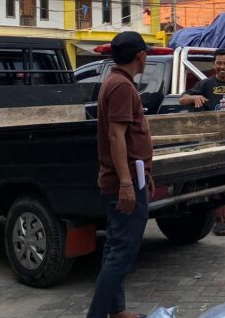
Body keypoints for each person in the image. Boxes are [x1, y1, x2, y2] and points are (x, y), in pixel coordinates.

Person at [87, 31, 154, 318]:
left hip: (129, 178)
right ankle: (98, 314)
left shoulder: (116, 83)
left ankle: (116, 311)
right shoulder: (121, 87)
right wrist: (127, 183)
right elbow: (116, 136)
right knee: (121, 254)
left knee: (115, 248)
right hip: (125, 183)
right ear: (140, 56)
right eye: (146, 53)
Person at [180, 48, 225, 236]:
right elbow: (182, 99)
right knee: (217, 181)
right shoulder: (205, 84)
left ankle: (224, 219)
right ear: (214, 65)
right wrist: (195, 97)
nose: (222, 67)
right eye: (218, 63)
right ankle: (219, 221)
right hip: (214, 144)